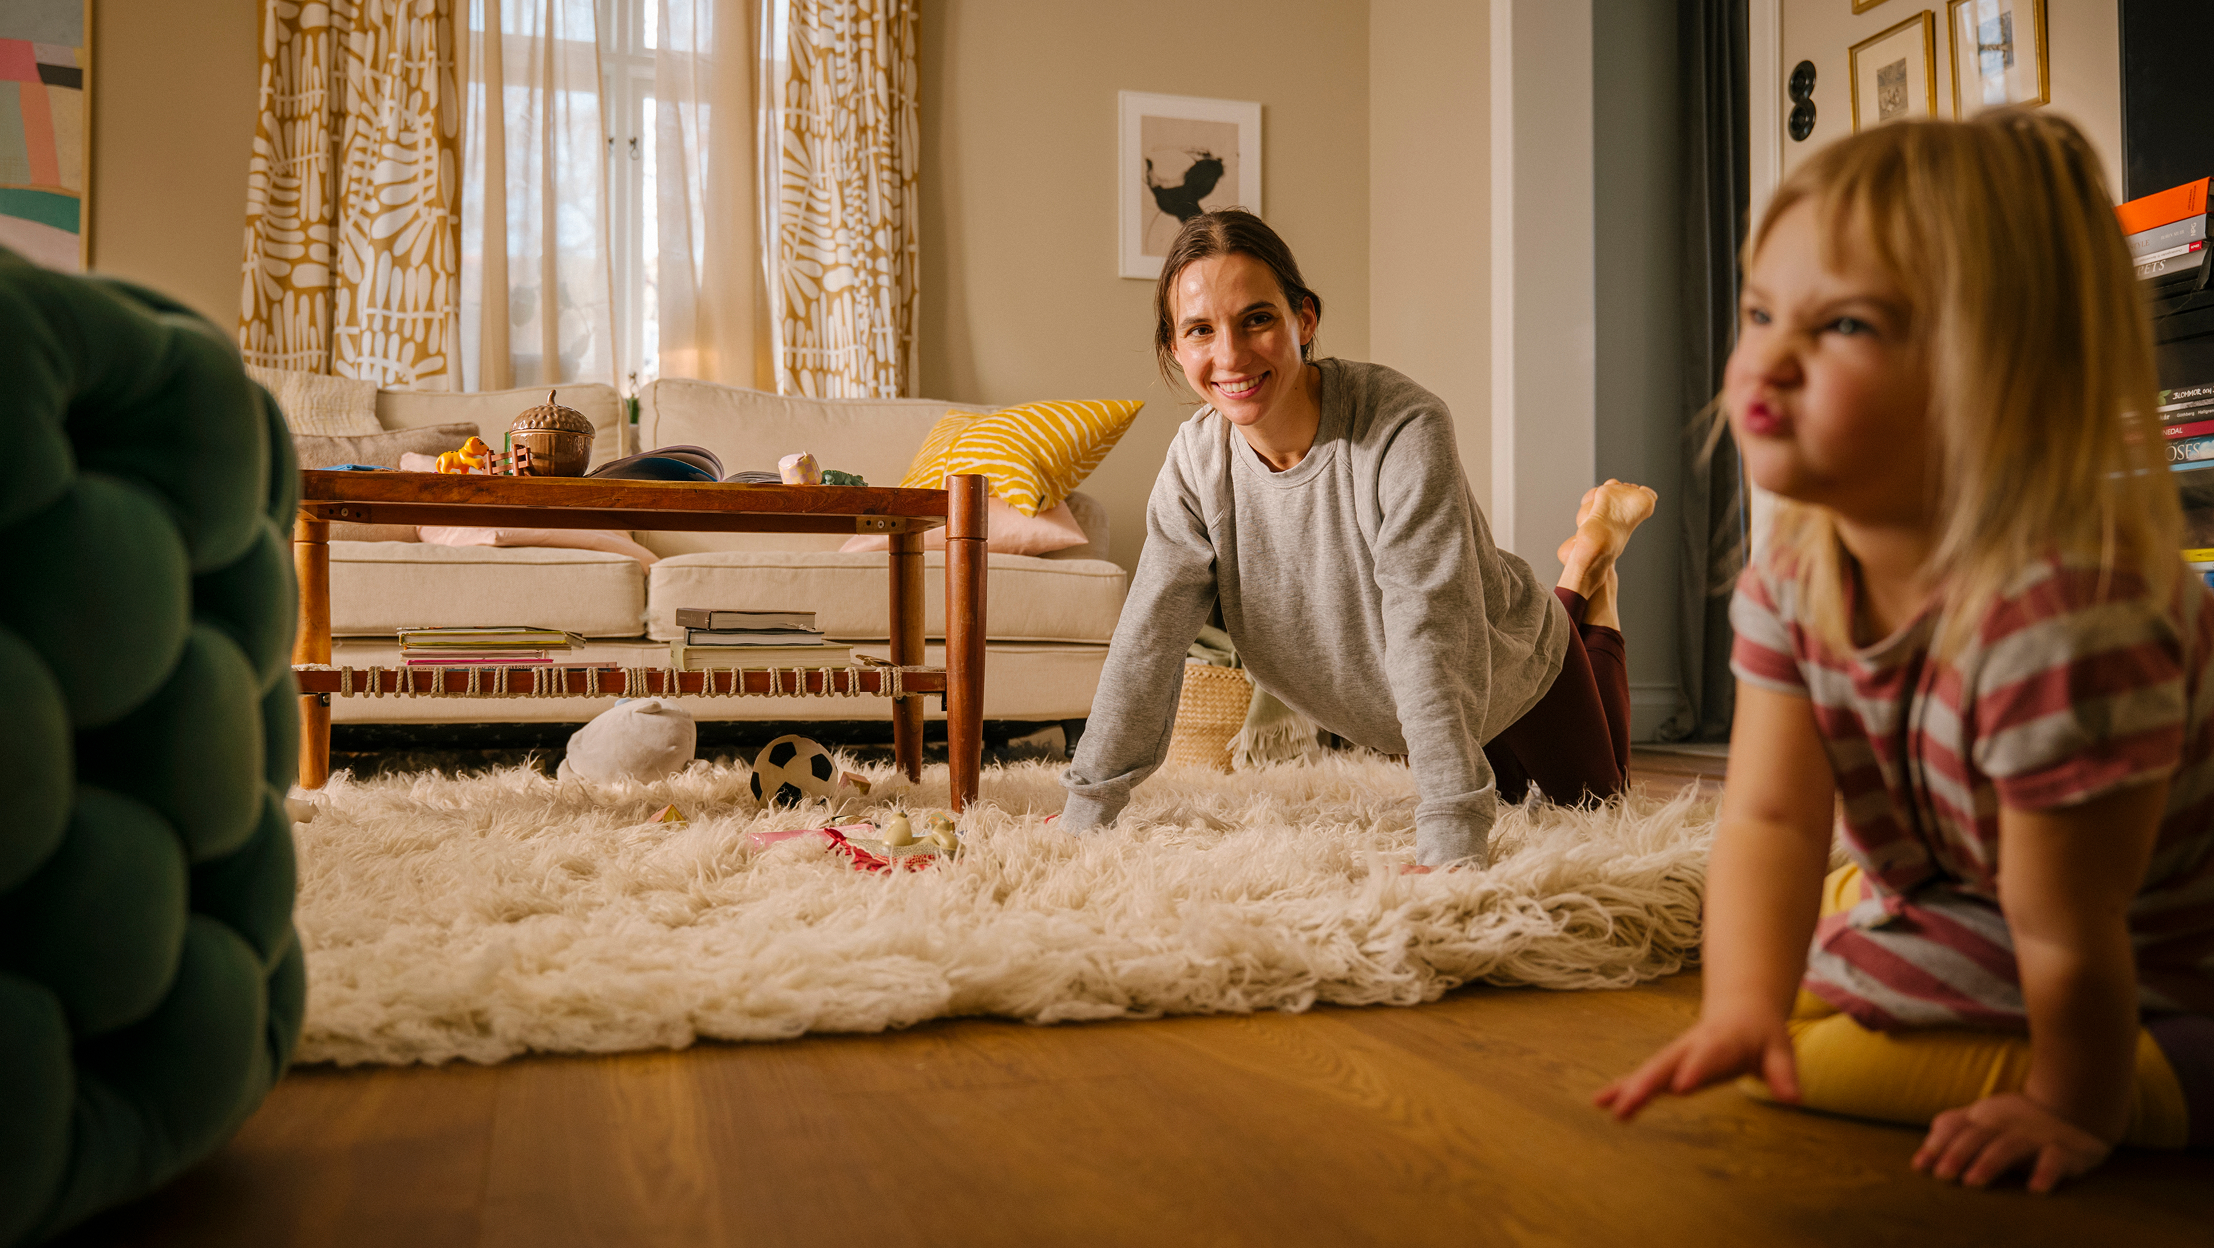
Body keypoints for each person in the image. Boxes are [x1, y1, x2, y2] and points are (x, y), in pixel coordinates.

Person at [1595, 111, 2214, 1189]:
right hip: (1994, 892)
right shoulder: (1794, 579)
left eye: (1845, 325)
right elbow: (1772, 820)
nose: (1769, 358)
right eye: (1761, 312)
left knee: (1816, 1058)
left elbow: (2069, 928)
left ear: (2002, 374)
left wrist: (2070, 1107)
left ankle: (2162, 1076)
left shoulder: (2061, 619)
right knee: (1772, 976)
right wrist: (1740, 1008)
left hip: (2156, 939)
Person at [1056, 208, 1657, 868]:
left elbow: (1430, 627)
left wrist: (1451, 832)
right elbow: (1148, 637)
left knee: (1597, 811)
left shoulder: (1403, 428)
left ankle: (1589, 569)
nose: (1229, 355)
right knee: (1509, 801)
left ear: (1304, 320)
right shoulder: (1196, 465)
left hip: (1508, 666)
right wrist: (1087, 808)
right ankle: (1585, 561)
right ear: (1175, 347)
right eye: (1200, 329)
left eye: (1257, 319)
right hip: (1419, 713)